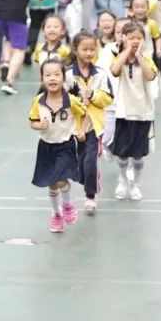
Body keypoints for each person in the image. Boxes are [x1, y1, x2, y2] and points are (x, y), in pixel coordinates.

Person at [29, 58, 87, 233]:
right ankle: (56, 214)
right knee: (52, 183)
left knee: (60, 180)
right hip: (46, 146)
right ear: (42, 79)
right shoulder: (38, 101)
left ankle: (68, 205)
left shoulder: (71, 100)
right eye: (47, 75)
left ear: (63, 79)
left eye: (56, 74)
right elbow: (32, 121)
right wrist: (39, 125)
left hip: (65, 145)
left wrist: (81, 130)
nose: (52, 78)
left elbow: (84, 113)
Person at [109, 22, 158, 201]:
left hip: (143, 113)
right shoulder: (119, 58)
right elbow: (114, 70)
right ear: (123, 38)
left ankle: (136, 185)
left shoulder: (147, 59)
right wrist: (126, 51)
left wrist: (139, 57)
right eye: (131, 38)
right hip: (123, 112)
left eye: (139, 38)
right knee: (122, 153)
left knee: (138, 154)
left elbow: (150, 75)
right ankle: (122, 181)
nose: (135, 41)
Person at [67, 31, 113, 214]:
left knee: (90, 161)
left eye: (92, 49)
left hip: (94, 126)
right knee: (78, 164)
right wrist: (77, 101)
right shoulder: (68, 74)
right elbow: (60, 97)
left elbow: (108, 97)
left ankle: (90, 195)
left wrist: (93, 95)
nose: (88, 53)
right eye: (84, 49)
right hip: (73, 128)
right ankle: (85, 182)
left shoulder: (100, 74)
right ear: (75, 50)